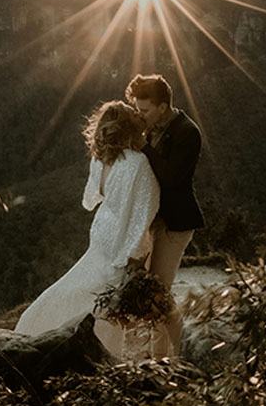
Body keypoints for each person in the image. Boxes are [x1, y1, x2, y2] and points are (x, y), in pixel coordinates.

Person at [14, 100, 159, 357]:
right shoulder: (137, 163)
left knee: (81, 290)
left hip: (100, 235)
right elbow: (145, 211)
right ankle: (104, 355)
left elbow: (90, 200)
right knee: (107, 304)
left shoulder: (99, 160)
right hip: (120, 242)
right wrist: (136, 255)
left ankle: (36, 326)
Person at [125, 74, 204, 357]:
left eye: (144, 110)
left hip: (175, 223)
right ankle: (159, 354)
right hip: (152, 220)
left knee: (158, 290)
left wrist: (142, 144)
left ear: (162, 106)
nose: (140, 115)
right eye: (137, 109)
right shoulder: (153, 126)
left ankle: (179, 351)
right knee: (150, 291)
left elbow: (171, 178)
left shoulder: (187, 132)